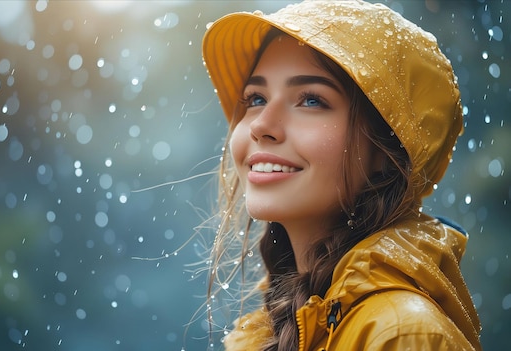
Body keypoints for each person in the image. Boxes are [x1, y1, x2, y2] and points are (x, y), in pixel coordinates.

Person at [200, 0, 482, 350]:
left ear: (387, 152)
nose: (260, 125)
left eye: (312, 100)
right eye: (255, 98)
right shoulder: (285, 326)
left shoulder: (402, 335)